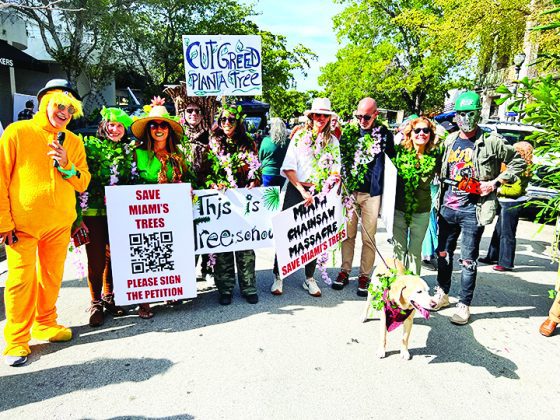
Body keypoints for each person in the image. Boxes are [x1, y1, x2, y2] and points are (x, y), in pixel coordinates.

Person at [0, 79, 91, 366]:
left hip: (59, 225)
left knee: (51, 278)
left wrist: (67, 165)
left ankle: (46, 323)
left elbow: (83, 182)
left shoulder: (73, 142)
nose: (63, 112)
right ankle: (16, 339)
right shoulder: (18, 132)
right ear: (45, 103)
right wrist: (3, 222)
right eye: (59, 105)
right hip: (21, 227)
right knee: (20, 282)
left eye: (69, 108)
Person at [430, 91, 526, 325]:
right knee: (442, 253)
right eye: (461, 114)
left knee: (468, 259)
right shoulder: (451, 140)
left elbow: (519, 161)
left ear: (478, 113)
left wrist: (494, 182)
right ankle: (442, 292)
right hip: (447, 207)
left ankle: (464, 304)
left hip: (473, 210)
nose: (465, 118)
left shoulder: (491, 140)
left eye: (469, 113)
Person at [271, 97, 341, 297]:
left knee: (313, 235)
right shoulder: (299, 136)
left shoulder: (333, 141)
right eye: (317, 114)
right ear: (311, 117)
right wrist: (302, 191)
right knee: (287, 231)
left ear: (328, 118)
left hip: (320, 191)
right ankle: (279, 275)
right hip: (297, 189)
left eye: (324, 115)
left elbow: (336, 169)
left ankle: (309, 277)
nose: (320, 118)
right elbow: (289, 166)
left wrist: (326, 190)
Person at [76, 107, 136, 327]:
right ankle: (95, 302)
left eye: (120, 125)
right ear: (103, 126)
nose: (115, 129)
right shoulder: (90, 147)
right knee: (96, 257)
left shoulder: (129, 151)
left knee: (114, 254)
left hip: (118, 212)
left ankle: (110, 296)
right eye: (111, 124)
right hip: (93, 211)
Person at [130, 98, 187, 318]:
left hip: (170, 214)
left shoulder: (178, 156)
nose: (159, 129)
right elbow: (128, 182)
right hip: (145, 214)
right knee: (146, 253)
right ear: (148, 129)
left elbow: (187, 180)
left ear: (169, 130)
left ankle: (169, 290)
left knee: (168, 251)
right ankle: (144, 301)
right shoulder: (138, 154)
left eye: (163, 125)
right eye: (154, 125)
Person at [333, 97, 395, 296]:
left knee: (368, 236)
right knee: (348, 235)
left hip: (371, 193)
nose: (362, 120)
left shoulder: (384, 134)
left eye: (366, 117)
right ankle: (345, 270)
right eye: (358, 116)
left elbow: (392, 161)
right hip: (350, 192)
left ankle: (365, 275)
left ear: (375, 114)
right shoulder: (349, 133)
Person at [207, 106, 261, 305]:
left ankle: (248, 287)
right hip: (221, 200)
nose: (226, 123)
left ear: (238, 122)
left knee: (245, 246)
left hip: (243, 200)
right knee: (222, 246)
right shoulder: (213, 144)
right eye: (223, 120)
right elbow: (207, 172)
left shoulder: (249, 143)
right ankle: (225, 289)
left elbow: (257, 170)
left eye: (230, 120)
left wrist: (255, 181)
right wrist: (213, 183)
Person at [391, 117, 441, 275]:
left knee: (414, 252)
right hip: (399, 209)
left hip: (421, 211)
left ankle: (413, 289)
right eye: (417, 130)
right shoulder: (399, 153)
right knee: (399, 251)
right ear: (410, 134)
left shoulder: (436, 155)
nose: (421, 133)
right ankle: (398, 286)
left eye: (426, 130)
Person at [479, 141, 534, 271]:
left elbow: (516, 190)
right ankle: (492, 256)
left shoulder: (522, 168)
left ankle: (506, 262)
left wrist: (498, 190)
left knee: (507, 234)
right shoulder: (520, 165)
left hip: (512, 202)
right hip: (506, 202)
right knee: (498, 231)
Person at [180, 99, 213, 281]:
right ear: (184, 114)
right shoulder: (177, 134)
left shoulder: (210, 135)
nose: (193, 114)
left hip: (204, 189)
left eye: (197, 111)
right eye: (189, 111)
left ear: (201, 115)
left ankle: (207, 268)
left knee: (205, 228)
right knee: (186, 233)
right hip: (182, 191)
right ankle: (186, 270)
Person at [258, 117, 289, 188]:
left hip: (268, 172)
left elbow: (260, 157)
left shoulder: (266, 140)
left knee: (270, 196)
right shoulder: (288, 142)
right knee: (276, 195)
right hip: (281, 173)